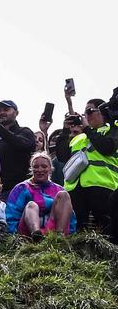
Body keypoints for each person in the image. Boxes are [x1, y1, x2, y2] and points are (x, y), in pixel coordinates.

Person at [61, 99, 117, 232]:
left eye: (90, 111)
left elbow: (107, 147)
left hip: (103, 187)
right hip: (76, 188)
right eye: (85, 112)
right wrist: (64, 131)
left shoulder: (112, 130)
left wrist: (87, 129)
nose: (86, 115)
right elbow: (62, 155)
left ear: (102, 112)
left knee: (105, 230)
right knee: (79, 230)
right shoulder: (80, 137)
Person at [7, 152, 74, 238]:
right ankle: (36, 235)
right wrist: (15, 235)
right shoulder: (21, 188)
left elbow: (70, 216)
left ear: (50, 169)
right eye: (36, 167)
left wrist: (71, 233)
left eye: (44, 166)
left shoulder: (59, 190)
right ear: (31, 169)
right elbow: (11, 215)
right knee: (31, 205)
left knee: (64, 195)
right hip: (27, 232)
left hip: (52, 229)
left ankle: (59, 237)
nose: (40, 170)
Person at [0, 99, 35, 200]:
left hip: (22, 190)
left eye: (6, 109)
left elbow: (20, 143)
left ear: (16, 113)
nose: (2, 113)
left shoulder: (25, 132)